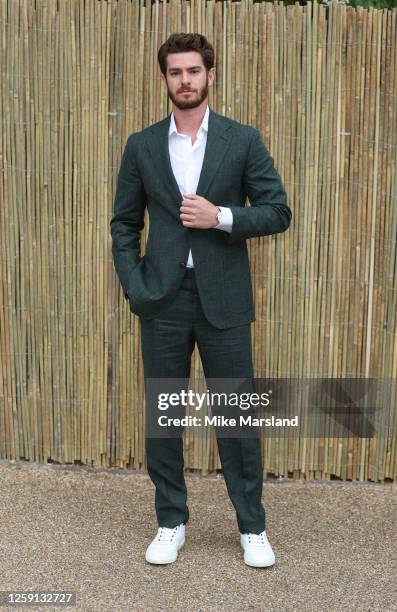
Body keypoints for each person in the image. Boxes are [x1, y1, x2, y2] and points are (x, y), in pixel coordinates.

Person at [110, 33, 291, 568]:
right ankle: (170, 520)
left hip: (224, 301)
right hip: (162, 299)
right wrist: (136, 285)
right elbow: (124, 223)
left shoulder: (242, 140)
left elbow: (278, 210)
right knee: (164, 414)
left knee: (237, 417)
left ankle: (252, 527)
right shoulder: (142, 145)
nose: (185, 80)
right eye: (175, 72)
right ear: (164, 79)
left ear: (210, 75)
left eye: (194, 70)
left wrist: (224, 217)